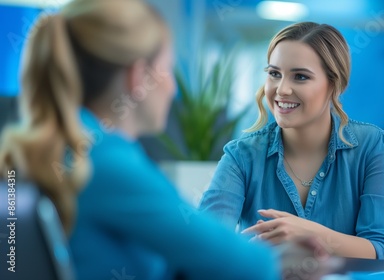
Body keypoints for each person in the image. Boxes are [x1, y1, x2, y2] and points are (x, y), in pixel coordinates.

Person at [0, 1, 329, 279]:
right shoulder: (105, 160)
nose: (172, 88)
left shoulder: (71, 146)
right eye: (168, 70)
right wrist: (283, 258)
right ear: (138, 76)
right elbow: (231, 261)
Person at [199, 22, 384, 261]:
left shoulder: (371, 145)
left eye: (301, 77)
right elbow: (206, 246)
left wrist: (309, 234)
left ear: (335, 85)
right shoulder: (242, 155)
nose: (282, 89)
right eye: (275, 74)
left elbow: (382, 252)